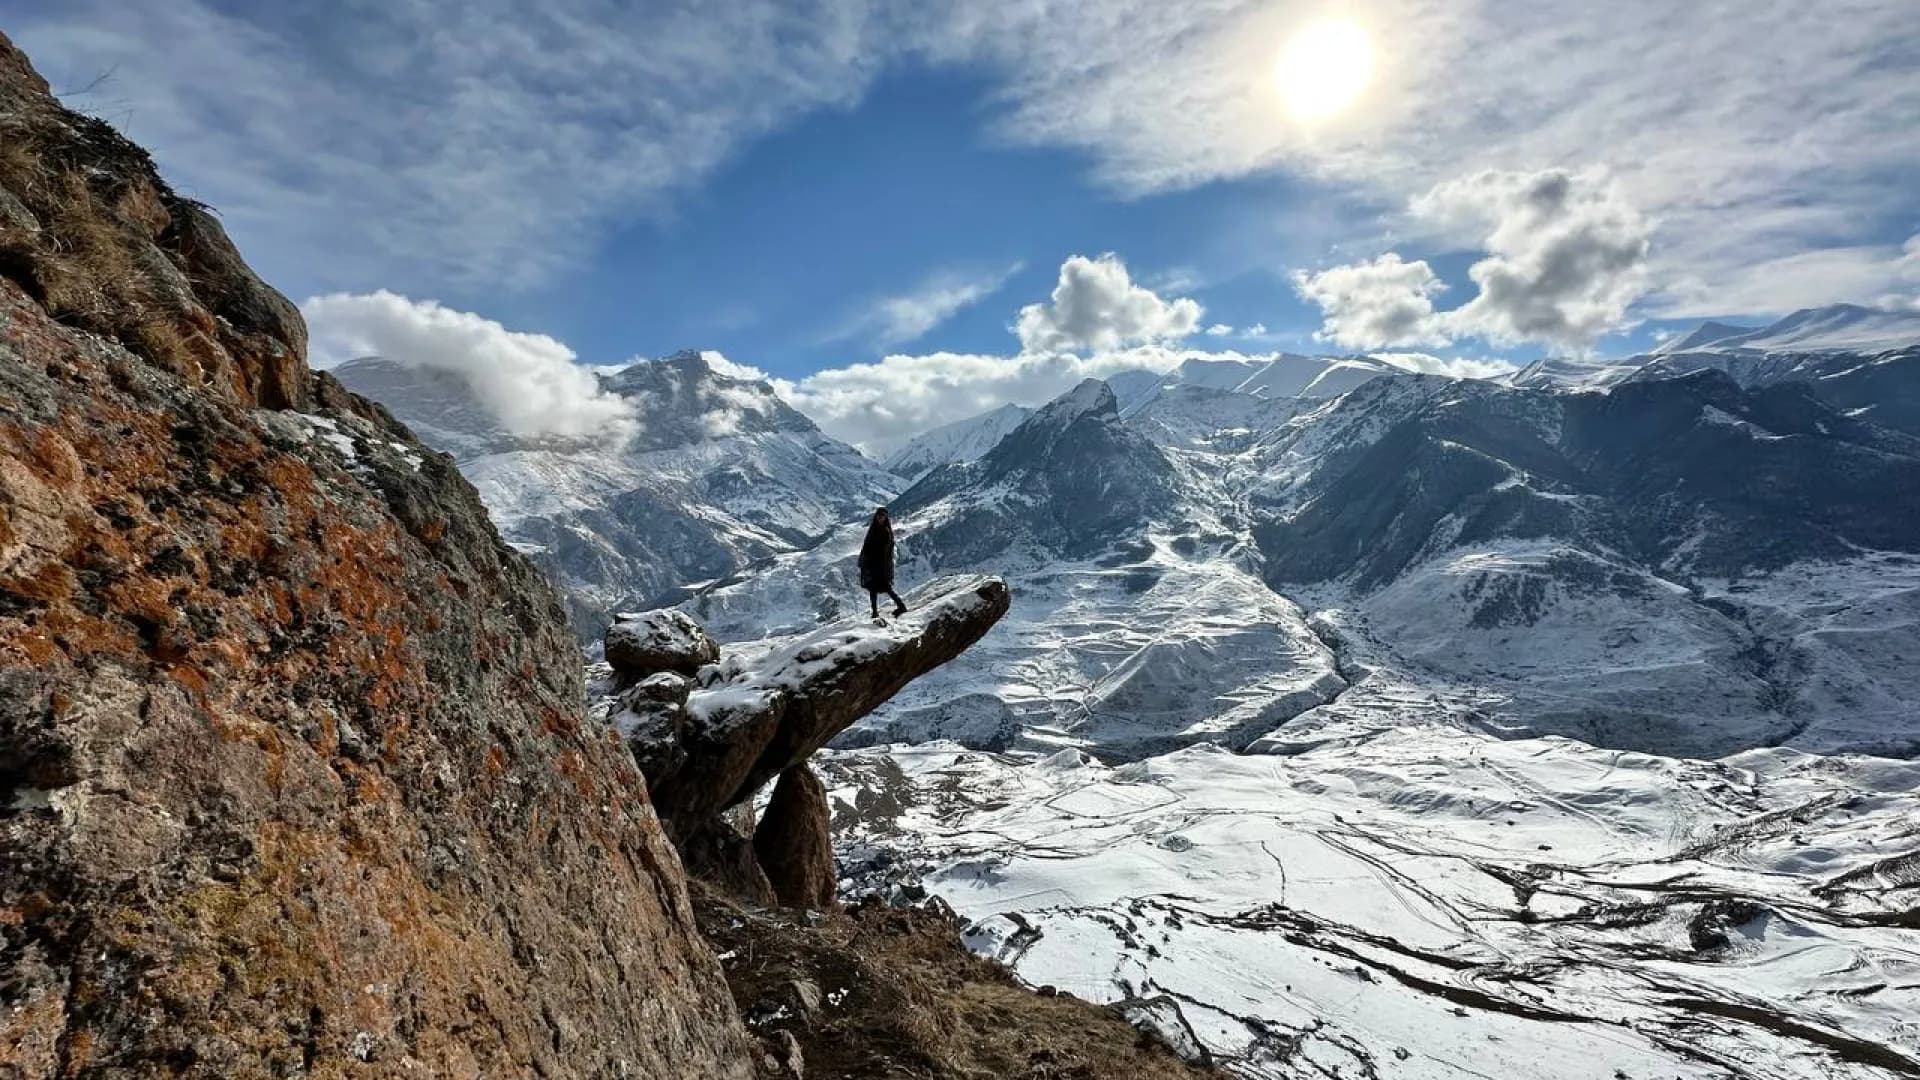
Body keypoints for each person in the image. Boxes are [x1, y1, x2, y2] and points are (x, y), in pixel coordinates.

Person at [858, 506, 907, 619]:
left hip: (881, 565)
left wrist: (879, 565)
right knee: (873, 588)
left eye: (882, 516)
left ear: (885, 518)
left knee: (885, 587)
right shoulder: (874, 529)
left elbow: (884, 551)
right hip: (872, 564)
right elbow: (867, 546)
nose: (880, 518)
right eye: (878, 516)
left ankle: (901, 606)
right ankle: (875, 612)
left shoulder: (885, 532)